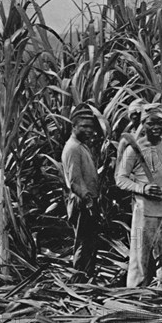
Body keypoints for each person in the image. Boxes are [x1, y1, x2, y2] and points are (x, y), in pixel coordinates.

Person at [116, 103, 162, 287]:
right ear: (143, 124)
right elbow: (120, 179)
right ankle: (135, 297)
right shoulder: (134, 148)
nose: (156, 127)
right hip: (144, 213)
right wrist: (143, 189)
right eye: (151, 123)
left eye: (160, 123)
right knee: (139, 259)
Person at [61, 103, 101, 282]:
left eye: (91, 127)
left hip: (88, 200)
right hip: (82, 201)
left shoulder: (81, 146)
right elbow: (75, 181)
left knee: (89, 241)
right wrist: (87, 198)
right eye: (83, 126)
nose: (88, 130)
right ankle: (79, 281)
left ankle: (86, 277)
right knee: (83, 242)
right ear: (73, 126)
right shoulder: (73, 148)